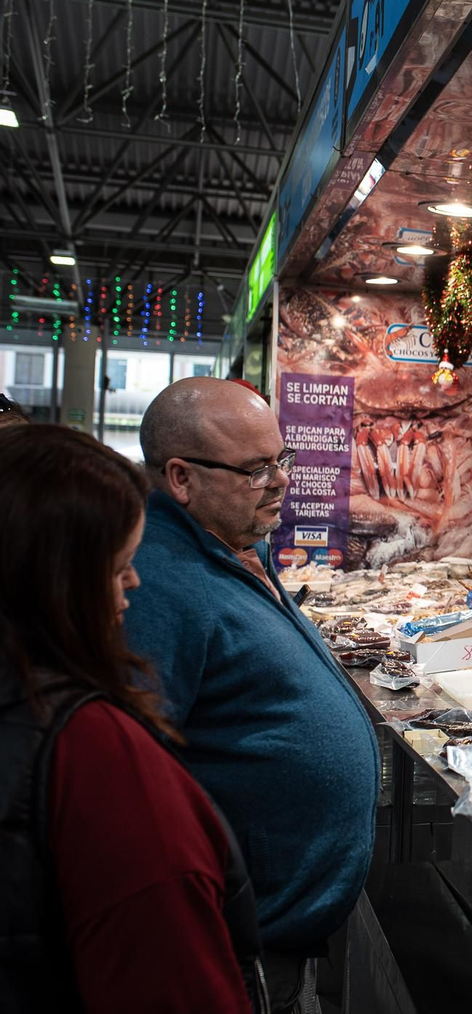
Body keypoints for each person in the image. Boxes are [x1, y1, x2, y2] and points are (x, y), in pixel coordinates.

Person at [121, 378, 380, 1012]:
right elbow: (132, 787)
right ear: (181, 478)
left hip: (274, 935)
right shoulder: (153, 588)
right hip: (232, 948)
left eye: (282, 459)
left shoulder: (230, 543)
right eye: (256, 469)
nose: (282, 480)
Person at [0, 424, 265, 1012]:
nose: (134, 581)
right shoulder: (93, 749)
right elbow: (171, 975)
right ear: (53, 579)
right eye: (118, 563)